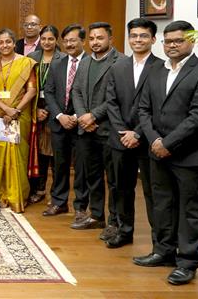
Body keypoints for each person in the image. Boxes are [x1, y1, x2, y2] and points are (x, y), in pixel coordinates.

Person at [135, 20, 198, 286]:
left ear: (191, 41)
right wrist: (154, 141)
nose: (172, 46)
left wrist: (168, 144)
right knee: (162, 204)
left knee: (190, 210)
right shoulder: (156, 71)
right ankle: (163, 251)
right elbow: (144, 110)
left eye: (178, 41)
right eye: (168, 41)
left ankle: (187, 262)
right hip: (157, 151)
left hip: (189, 154)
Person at [104, 18, 162, 249]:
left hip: (147, 139)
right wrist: (122, 132)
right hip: (120, 140)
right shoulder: (118, 67)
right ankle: (124, 231)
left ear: (153, 39)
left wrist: (137, 133)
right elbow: (111, 102)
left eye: (143, 36)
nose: (138, 40)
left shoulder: (161, 68)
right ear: (128, 39)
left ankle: (160, 242)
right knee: (122, 188)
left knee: (152, 191)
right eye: (134, 36)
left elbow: (158, 107)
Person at [71, 22, 123, 236]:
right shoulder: (84, 62)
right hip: (86, 130)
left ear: (110, 39)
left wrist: (93, 115)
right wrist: (84, 116)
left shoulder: (121, 62)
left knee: (114, 179)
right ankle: (96, 216)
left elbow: (117, 96)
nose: (95, 42)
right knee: (92, 176)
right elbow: (76, 91)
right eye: (92, 38)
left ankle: (115, 221)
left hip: (108, 129)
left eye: (100, 38)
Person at [0, 29, 38, 213]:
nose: (4, 45)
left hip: (19, 115)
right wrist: (5, 109)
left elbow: (31, 90)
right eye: (1, 42)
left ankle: (16, 195)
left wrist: (16, 110)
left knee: (17, 153)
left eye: (8, 42)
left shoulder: (25, 63)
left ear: (15, 43)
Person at [41, 24, 87, 217]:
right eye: (66, 40)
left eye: (73, 40)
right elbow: (49, 92)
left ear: (82, 41)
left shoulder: (90, 63)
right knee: (59, 165)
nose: (69, 44)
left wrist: (76, 116)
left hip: (82, 124)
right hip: (59, 123)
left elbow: (94, 95)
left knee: (81, 167)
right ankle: (59, 202)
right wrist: (60, 116)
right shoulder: (57, 64)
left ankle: (80, 207)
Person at [26, 25, 64, 205]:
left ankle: (56, 193)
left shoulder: (63, 59)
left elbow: (65, 89)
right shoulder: (32, 58)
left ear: (57, 40)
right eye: (44, 39)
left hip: (56, 110)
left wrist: (49, 110)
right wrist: (35, 110)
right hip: (34, 108)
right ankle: (38, 188)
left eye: (51, 39)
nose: (47, 42)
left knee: (55, 154)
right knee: (37, 151)